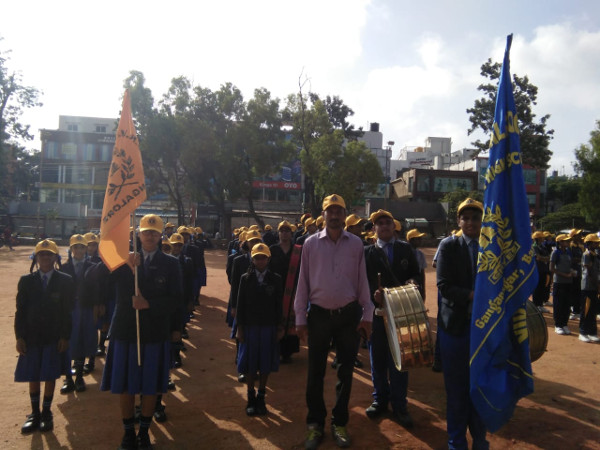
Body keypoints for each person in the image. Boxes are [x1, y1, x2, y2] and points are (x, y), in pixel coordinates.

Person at [294, 194, 374, 449]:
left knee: (345, 372)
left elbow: (363, 281)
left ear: (344, 214)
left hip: (348, 316)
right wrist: (299, 318)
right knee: (315, 372)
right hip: (318, 316)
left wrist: (367, 315)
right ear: (324, 214)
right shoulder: (310, 244)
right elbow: (303, 282)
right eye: (331, 211)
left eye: (340, 211)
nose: (336, 215)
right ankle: (315, 424)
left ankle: (339, 422)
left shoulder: (356, 244)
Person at [101, 214, 182, 450]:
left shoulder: (171, 264)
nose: (150, 235)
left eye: (154, 232)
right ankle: (128, 433)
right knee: (125, 385)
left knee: (150, 386)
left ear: (160, 236)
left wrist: (150, 305)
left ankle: (144, 433)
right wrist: (122, 263)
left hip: (155, 332)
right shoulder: (123, 260)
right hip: (126, 331)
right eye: (146, 231)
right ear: (138, 233)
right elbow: (100, 282)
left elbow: (177, 299)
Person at [436, 198, 489, 450]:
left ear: (482, 221)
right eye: (465, 218)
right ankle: (456, 443)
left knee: (480, 387)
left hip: (483, 330)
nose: (470, 222)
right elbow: (443, 286)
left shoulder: (492, 249)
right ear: (458, 221)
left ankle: (480, 439)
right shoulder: (448, 246)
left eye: (475, 218)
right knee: (457, 390)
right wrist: (474, 296)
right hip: (455, 328)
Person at [363, 210, 421, 428]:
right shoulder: (367, 252)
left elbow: (416, 274)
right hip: (377, 315)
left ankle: (400, 404)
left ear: (393, 226)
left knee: (400, 359)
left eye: (388, 222)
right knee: (377, 359)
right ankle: (379, 400)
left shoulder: (406, 248)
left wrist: (414, 283)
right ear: (374, 229)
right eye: (380, 223)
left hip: (401, 313)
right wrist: (372, 294)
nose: (384, 226)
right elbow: (362, 283)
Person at [14, 239, 74, 433]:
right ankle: (34, 413)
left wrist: (65, 336)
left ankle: (46, 413)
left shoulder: (65, 281)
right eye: (42, 254)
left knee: (49, 375)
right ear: (36, 257)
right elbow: (20, 311)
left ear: (56, 257)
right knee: (33, 374)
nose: (45, 257)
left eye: (49, 254)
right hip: (31, 337)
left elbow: (67, 312)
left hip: (53, 337)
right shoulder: (26, 281)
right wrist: (19, 337)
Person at [236, 243, 283, 415]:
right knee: (250, 363)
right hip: (250, 327)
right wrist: (239, 328)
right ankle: (250, 397)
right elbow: (240, 305)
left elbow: (279, 305)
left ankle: (261, 396)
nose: (260, 260)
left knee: (265, 363)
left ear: (268, 259)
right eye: (257, 257)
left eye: (263, 257)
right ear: (252, 259)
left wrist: (280, 327)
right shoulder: (245, 279)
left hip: (268, 327)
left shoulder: (276, 279)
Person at [60, 234, 98, 392]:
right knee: (67, 341)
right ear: (71, 249)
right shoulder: (63, 268)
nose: (80, 250)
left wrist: (98, 304)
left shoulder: (92, 266)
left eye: (82, 247)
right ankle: (68, 378)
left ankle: (80, 377)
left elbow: (98, 288)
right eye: (76, 247)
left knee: (83, 339)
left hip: (86, 309)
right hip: (68, 310)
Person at [269, 220, 301, 363]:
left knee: (291, 320)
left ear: (291, 233)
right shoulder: (272, 249)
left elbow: (302, 271)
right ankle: (275, 349)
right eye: (282, 231)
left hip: (293, 290)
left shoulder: (298, 250)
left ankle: (288, 352)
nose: (284, 233)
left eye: (287, 231)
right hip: (275, 290)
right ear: (278, 233)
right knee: (276, 318)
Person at [550, 234, 574, 335]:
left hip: (568, 282)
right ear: (560, 242)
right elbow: (551, 268)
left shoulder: (568, 252)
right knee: (559, 304)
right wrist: (564, 274)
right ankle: (558, 325)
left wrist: (572, 272)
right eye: (566, 241)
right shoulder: (555, 253)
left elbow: (570, 265)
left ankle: (564, 324)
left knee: (566, 304)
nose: (568, 242)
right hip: (559, 282)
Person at [578, 233, 600, 343]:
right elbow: (590, 272)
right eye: (595, 243)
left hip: (594, 286)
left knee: (592, 311)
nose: (597, 244)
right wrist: (597, 284)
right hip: (587, 286)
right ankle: (583, 332)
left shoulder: (595, 255)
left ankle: (592, 332)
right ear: (589, 243)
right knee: (586, 310)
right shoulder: (586, 255)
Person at [532, 231, 551, 313]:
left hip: (543, 269)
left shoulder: (543, 246)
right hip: (537, 269)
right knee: (537, 287)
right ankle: (536, 305)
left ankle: (540, 304)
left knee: (543, 286)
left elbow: (548, 257)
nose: (543, 238)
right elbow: (538, 257)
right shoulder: (534, 246)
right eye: (542, 237)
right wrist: (545, 258)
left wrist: (545, 258)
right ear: (537, 238)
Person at [406, 229, 427, 299]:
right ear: (411, 240)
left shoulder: (420, 254)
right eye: (418, 239)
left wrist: (423, 291)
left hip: (417, 286)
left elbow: (422, 273)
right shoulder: (403, 253)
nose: (421, 240)